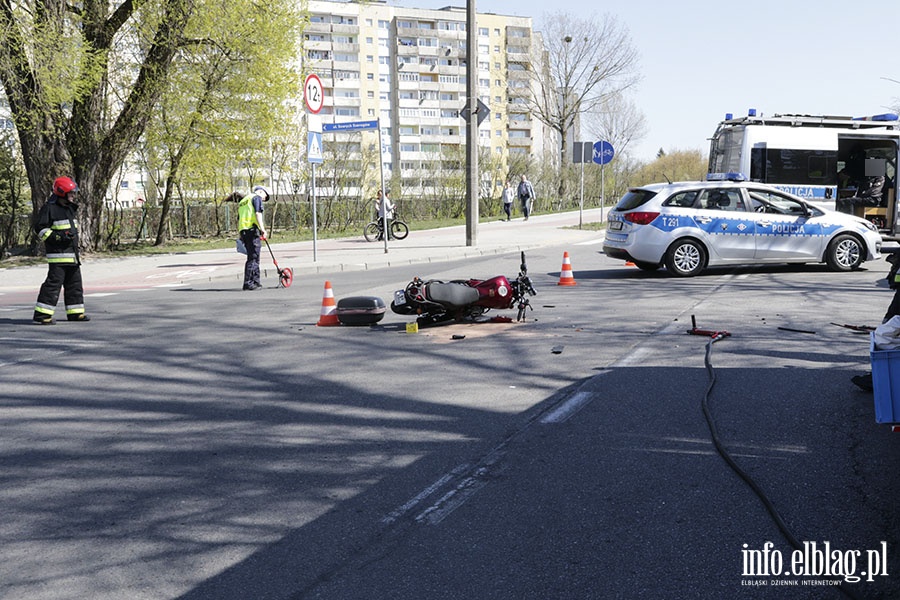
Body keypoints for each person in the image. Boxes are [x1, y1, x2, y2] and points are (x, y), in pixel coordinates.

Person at [33, 176, 89, 324]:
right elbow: (40, 228)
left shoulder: (69, 209)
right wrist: (58, 237)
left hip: (72, 256)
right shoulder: (49, 208)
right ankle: (42, 315)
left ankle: (75, 313)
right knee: (53, 286)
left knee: (75, 285)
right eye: (71, 193)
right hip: (58, 256)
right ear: (62, 192)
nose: (73, 195)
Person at [238, 185, 269, 290]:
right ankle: (249, 283)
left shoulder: (243, 201)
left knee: (253, 256)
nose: (264, 199)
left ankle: (256, 281)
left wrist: (240, 234)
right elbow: (257, 213)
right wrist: (262, 229)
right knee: (253, 257)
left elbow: (239, 217)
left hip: (244, 231)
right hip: (252, 230)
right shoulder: (256, 198)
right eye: (265, 195)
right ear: (260, 191)